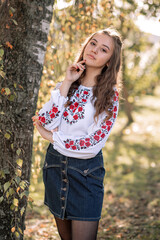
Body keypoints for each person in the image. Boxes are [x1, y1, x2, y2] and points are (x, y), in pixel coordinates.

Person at [32, 27, 122, 240]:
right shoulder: (66, 85)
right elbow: (45, 119)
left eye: (103, 49)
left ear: (109, 60)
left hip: (86, 173)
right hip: (55, 167)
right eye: (93, 43)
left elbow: (92, 144)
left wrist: (52, 137)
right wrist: (67, 81)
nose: (94, 50)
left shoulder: (109, 97)